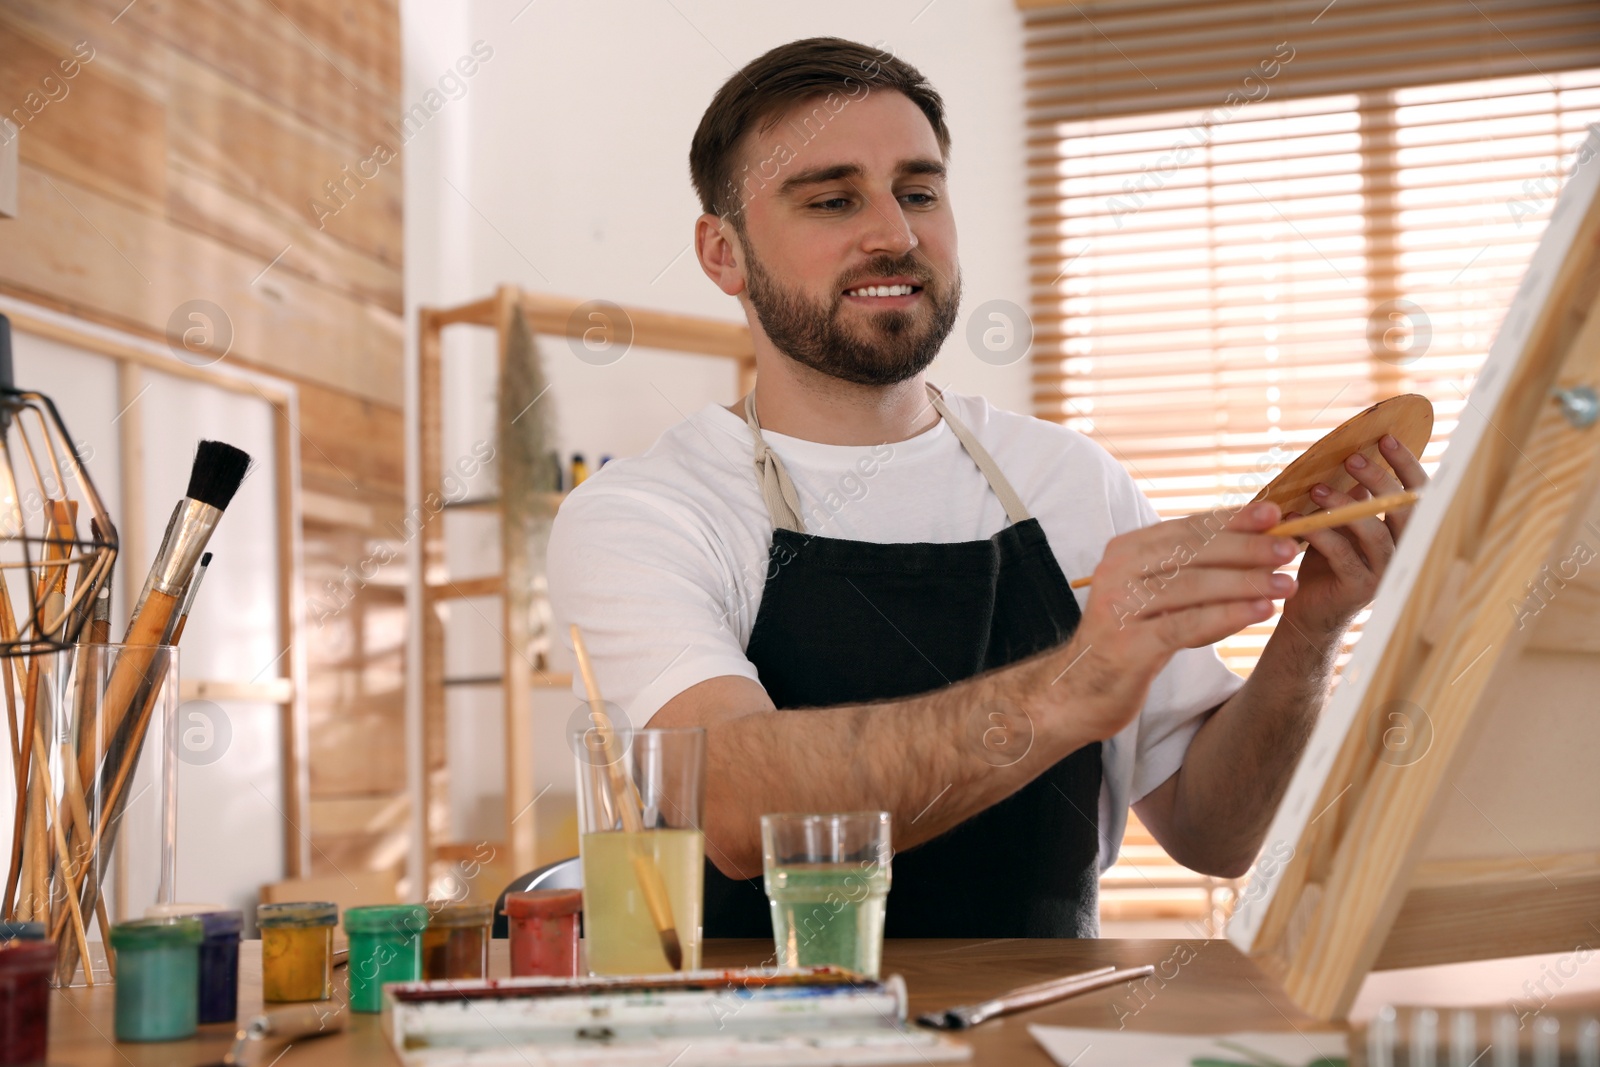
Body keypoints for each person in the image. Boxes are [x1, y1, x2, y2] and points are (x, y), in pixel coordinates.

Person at [547, 36, 1427, 938]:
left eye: (919, 192)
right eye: (832, 199)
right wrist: (1073, 687)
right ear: (722, 253)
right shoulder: (646, 513)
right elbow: (736, 807)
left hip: (1043, 1031)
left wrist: (1309, 632)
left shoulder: (1076, 482)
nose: (894, 232)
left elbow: (1216, 834)